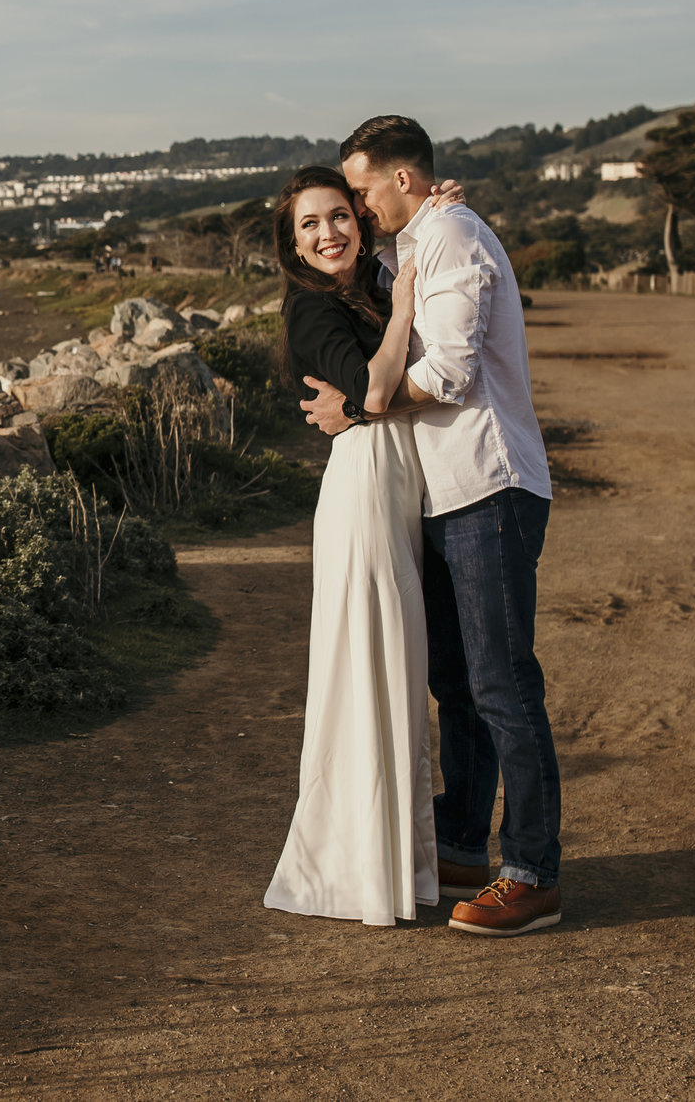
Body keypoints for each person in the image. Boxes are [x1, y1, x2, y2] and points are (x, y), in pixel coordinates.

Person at [303, 115, 561, 938]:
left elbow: (448, 374)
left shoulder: (448, 236)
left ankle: (530, 872)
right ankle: (460, 844)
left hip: (489, 485)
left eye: (362, 189)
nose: (354, 206)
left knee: (502, 684)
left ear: (403, 180)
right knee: (457, 684)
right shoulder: (415, 241)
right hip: (442, 495)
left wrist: (358, 406)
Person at [260, 166, 442, 927]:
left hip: (395, 483)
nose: (327, 232)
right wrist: (402, 309)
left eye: (338, 215)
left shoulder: (367, 278)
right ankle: (354, 873)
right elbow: (370, 390)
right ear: (292, 243)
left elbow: (367, 399)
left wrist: (436, 209)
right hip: (365, 492)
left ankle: (398, 865)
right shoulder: (311, 309)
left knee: (399, 675)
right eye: (309, 224)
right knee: (371, 669)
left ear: (361, 220)